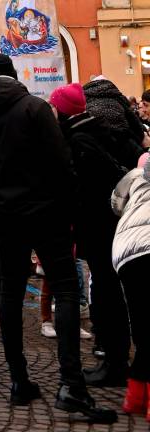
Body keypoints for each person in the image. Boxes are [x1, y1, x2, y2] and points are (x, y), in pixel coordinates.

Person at [0, 54, 116, 423]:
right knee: (65, 289)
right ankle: (71, 385)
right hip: (46, 213)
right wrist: (67, 208)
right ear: (14, 75)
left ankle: (19, 380)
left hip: (4, 217)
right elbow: (61, 162)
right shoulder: (34, 108)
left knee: (11, 292)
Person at [49, 82, 131, 386]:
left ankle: (115, 362)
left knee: (108, 293)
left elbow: (91, 187)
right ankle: (113, 358)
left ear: (63, 111)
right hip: (105, 226)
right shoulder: (96, 130)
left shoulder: (82, 140)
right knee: (108, 292)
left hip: (99, 228)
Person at [111, 156, 150, 422]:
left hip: (127, 253)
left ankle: (134, 398)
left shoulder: (134, 176)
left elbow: (115, 203)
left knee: (143, 326)